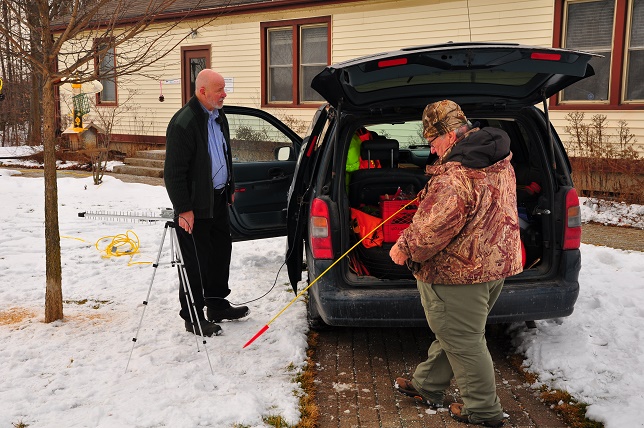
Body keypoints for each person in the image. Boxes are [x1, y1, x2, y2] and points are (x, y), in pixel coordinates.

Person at [389, 100, 522, 427]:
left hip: (458, 274)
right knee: (456, 332)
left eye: (432, 141)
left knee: (464, 340)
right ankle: (428, 385)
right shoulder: (498, 159)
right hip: (493, 266)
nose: (432, 150)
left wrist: (404, 247)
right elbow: (476, 207)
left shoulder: (455, 175)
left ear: (450, 135)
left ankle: (483, 409)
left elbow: (434, 229)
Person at [164, 69, 249, 337]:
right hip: (195, 206)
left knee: (219, 254)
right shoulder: (184, 123)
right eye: (220, 89)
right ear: (202, 92)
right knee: (195, 262)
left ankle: (216, 305)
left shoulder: (218, 117)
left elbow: (224, 153)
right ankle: (193, 316)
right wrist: (183, 209)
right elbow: (174, 172)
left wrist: (230, 186)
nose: (225, 94)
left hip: (218, 198)